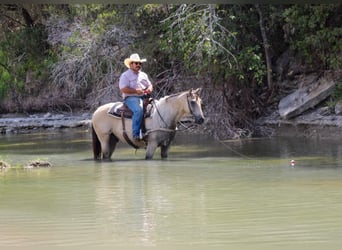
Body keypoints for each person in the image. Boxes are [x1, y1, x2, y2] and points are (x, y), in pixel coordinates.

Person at [119, 53, 153, 142]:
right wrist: (135, 91)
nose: (138, 65)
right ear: (131, 64)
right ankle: (136, 134)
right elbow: (123, 89)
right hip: (130, 98)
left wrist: (149, 89)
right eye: (136, 63)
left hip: (143, 97)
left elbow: (150, 85)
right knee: (138, 110)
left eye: (140, 63)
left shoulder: (143, 75)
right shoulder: (125, 75)